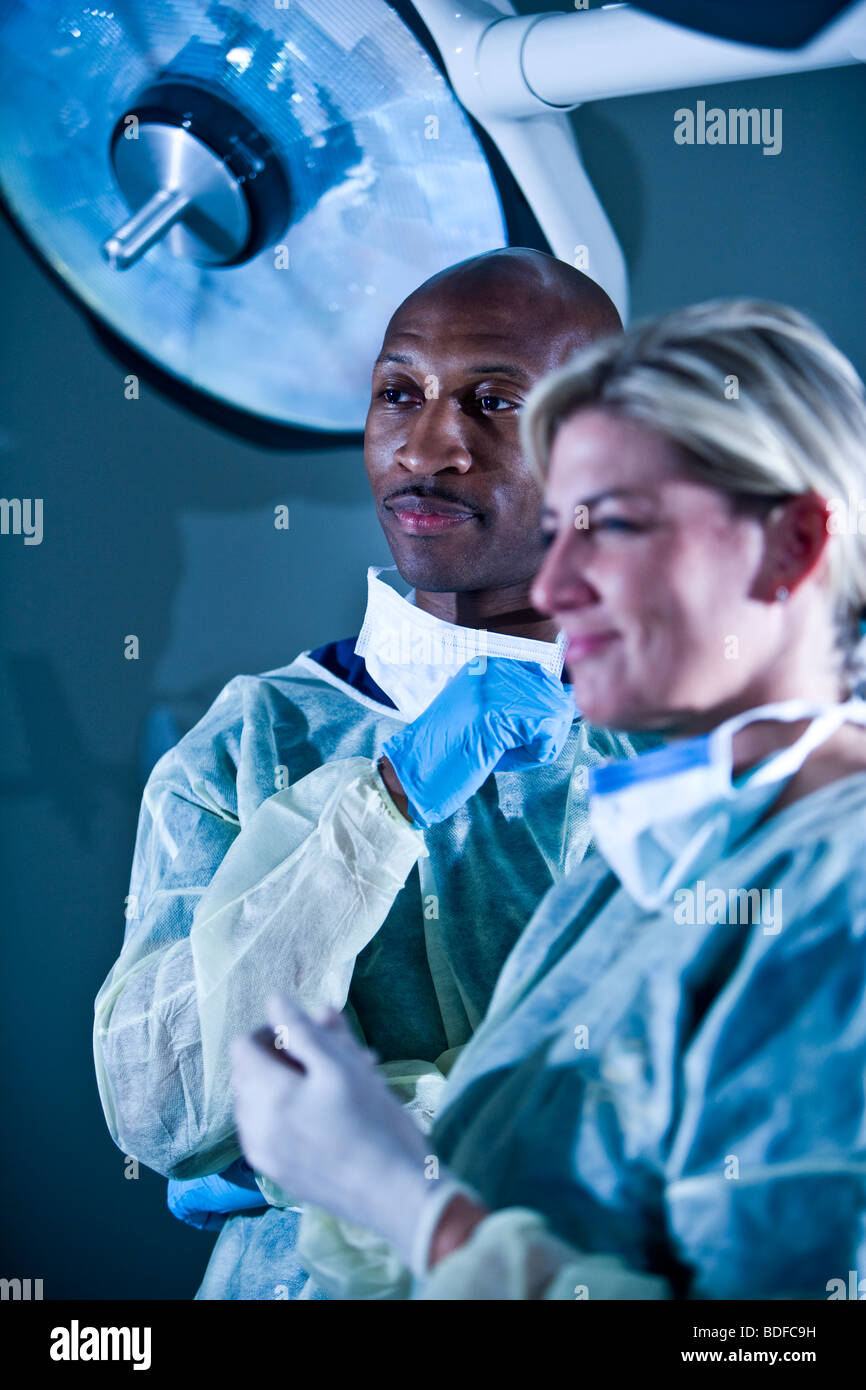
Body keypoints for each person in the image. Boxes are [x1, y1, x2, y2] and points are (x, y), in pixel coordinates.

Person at [231, 298, 866, 1299]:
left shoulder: (840, 887)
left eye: (610, 526)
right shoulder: (652, 850)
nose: (556, 585)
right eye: (557, 528)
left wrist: (409, 1202)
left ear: (789, 544)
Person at [93, 248, 642, 1301]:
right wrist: (379, 807)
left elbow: (657, 1112)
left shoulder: (675, 746)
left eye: (492, 401)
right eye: (399, 393)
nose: (428, 445)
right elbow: (160, 1107)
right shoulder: (247, 745)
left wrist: (325, 1151)